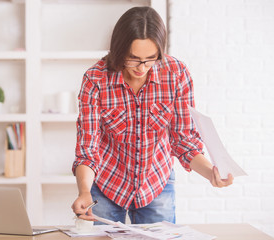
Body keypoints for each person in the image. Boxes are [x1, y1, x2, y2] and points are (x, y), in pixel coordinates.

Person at [71, 6, 234, 225]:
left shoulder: (176, 74)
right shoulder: (95, 79)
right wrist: (84, 191)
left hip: (156, 183)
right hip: (107, 183)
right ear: (118, 50)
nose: (142, 67)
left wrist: (210, 173)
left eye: (150, 58)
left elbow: (183, 140)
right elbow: (88, 148)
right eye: (133, 58)